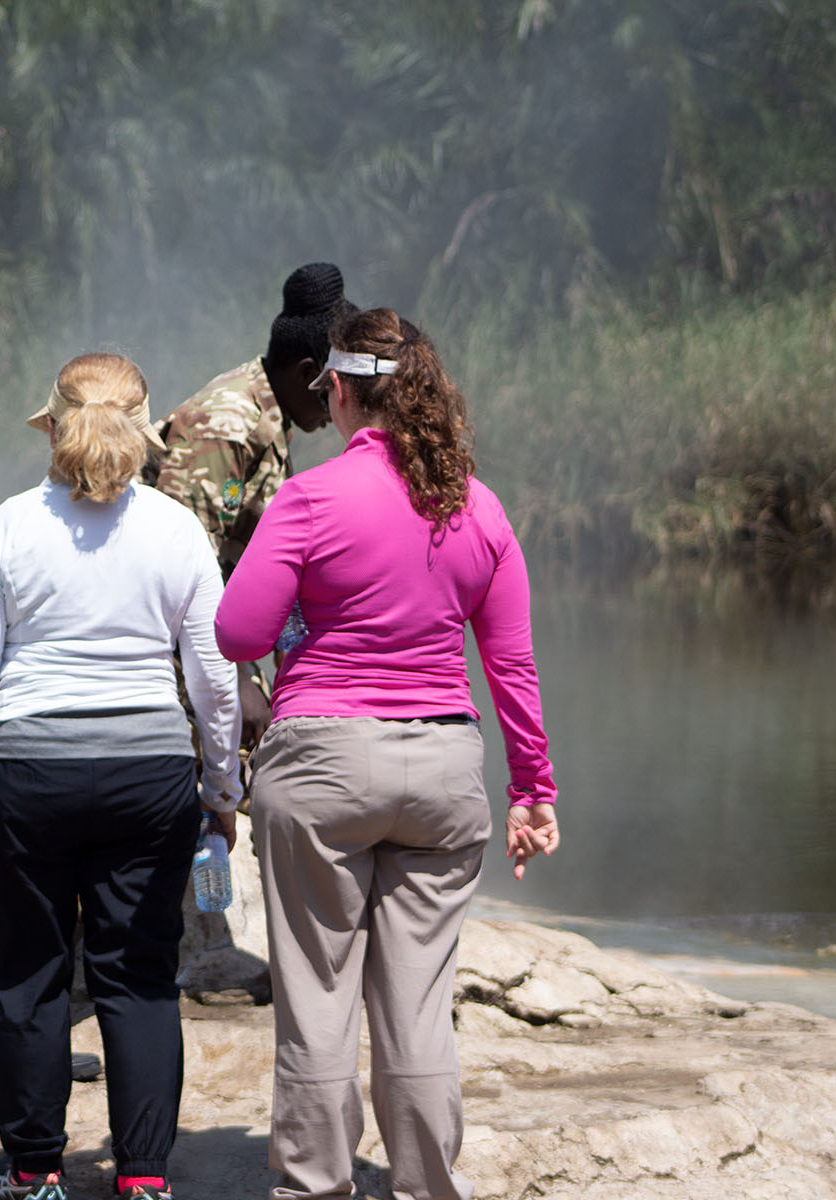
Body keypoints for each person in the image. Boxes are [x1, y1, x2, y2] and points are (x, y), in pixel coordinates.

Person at [214, 309, 560, 1200]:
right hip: (443, 774)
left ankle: (316, 1187)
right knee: (417, 1010)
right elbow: (511, 665)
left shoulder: (311, 497)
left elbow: (238, 629)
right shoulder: (475, 505)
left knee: (319, 1004)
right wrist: (533, 791)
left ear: (338, 391)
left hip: (321, 770)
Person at [0, 352, 243, 1200]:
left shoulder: (8, 526)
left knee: (28, 975)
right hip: (149, 777)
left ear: (55, 427)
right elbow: (214, 673)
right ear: (139, 430)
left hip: (25, 774)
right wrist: (221, 788)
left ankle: (34, 1173)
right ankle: (142, 1177)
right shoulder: (176, 530)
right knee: (139, 976)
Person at [148, 262, 354, 748]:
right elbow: (177, 569)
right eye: (330, 393)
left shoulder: (270, 419)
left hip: (203, 634)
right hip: (158, 640)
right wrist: (237, 679)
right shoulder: (229, 425)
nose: (334, 414)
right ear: (308, 374)